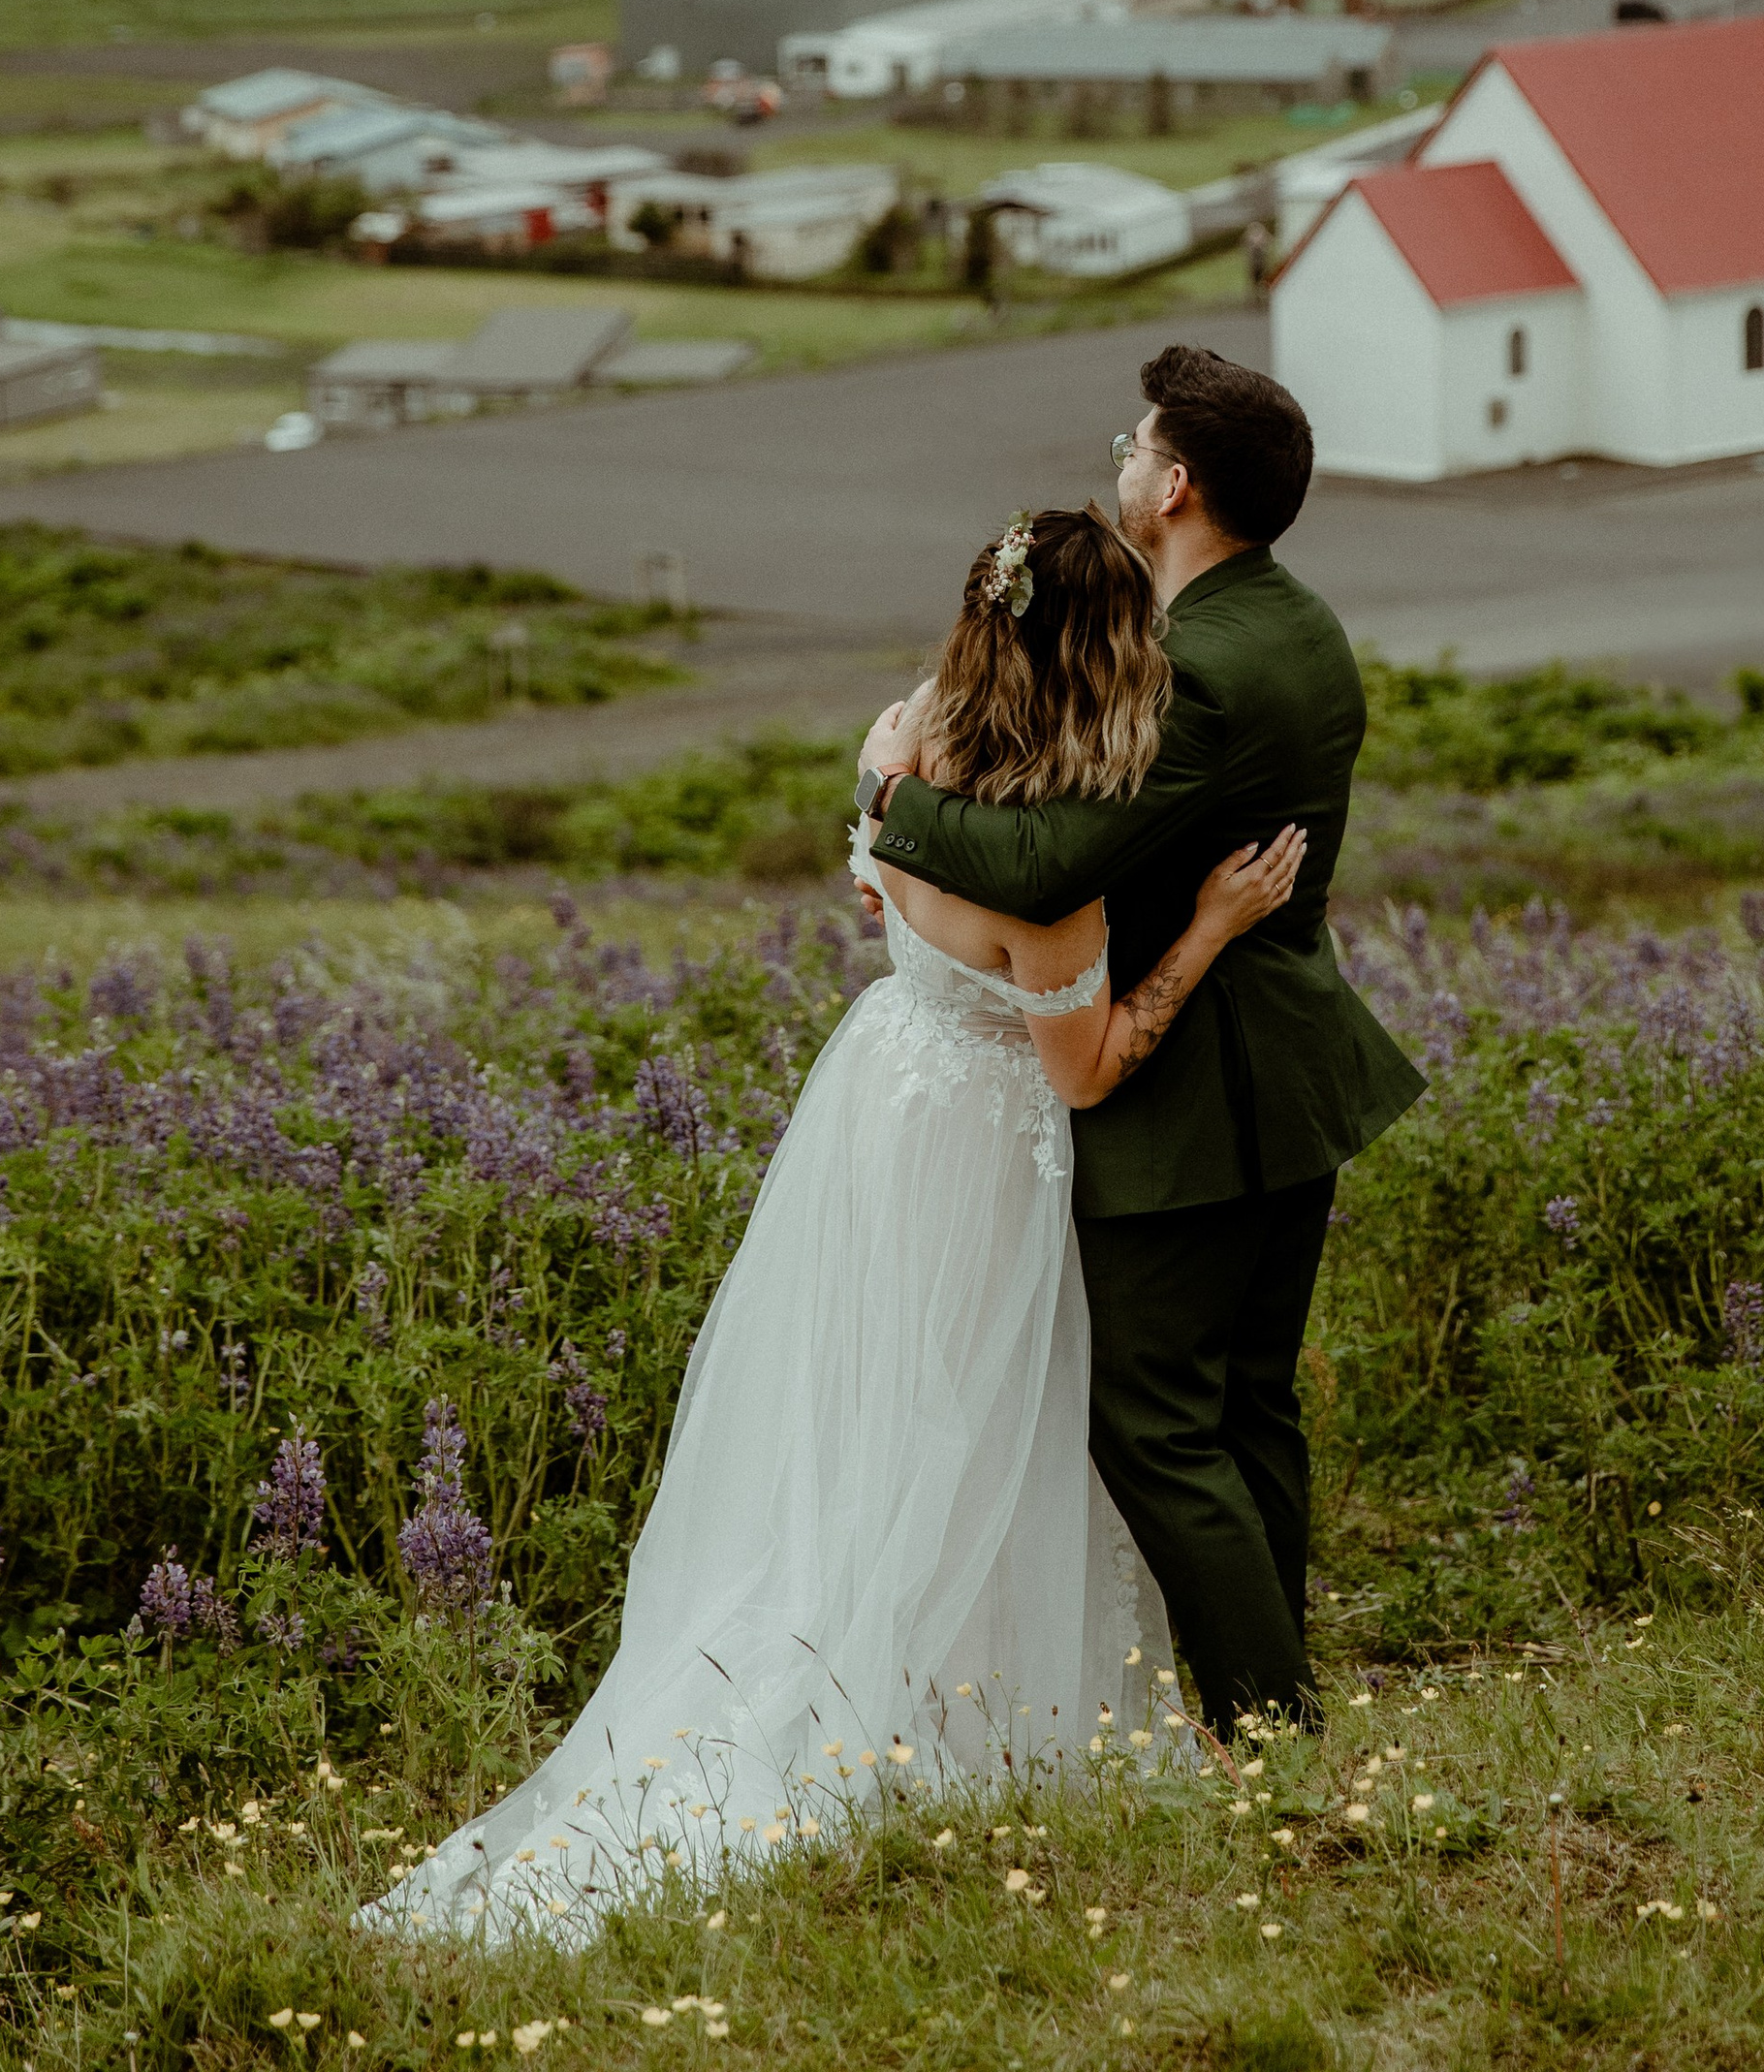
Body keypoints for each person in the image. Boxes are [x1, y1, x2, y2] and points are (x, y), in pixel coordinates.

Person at [365, 500, 1300, 1947]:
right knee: (985, 1434)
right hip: (987, 1145)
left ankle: (885, 1663)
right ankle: (947, 1709)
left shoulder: (898, 742)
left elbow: (874, 879)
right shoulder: (1042, 882)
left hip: (880, 1103)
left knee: (870, 1431)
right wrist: (1211, 931)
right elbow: (1093, 1063)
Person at [859, 343, 1424, 1739]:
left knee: (1160, 1427)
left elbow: (1051, 866)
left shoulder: (1201, 672)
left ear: (1172, 486)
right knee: (1249, 1410)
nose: (1118, 455)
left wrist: (888, 806)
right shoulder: (1300, 621)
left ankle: (1273, 1728)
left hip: (1197, 1094)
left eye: (1134, 440)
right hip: (1293, 1066)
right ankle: (1277, 1692)